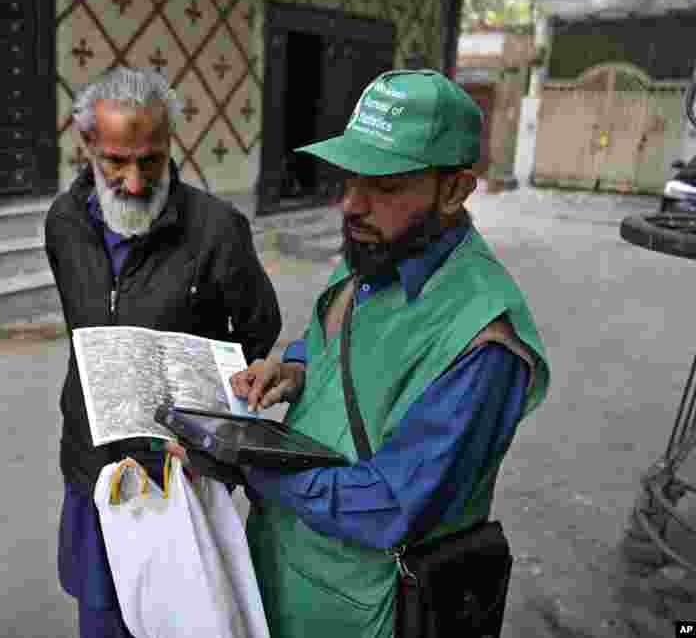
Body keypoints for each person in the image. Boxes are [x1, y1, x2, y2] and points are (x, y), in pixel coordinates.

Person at [227, 69, 552, 637]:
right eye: (350, 176)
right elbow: (329, 337)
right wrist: (295, 368)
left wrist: (249, 462)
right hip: (281, 568)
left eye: (386, 185)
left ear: (453, 191)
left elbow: (389, 507)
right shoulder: (375, 253)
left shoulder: (482, 341)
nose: (352, 205)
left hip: (368, 608)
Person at [44, 66, 282, 638]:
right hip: (95, 465)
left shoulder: (217, 230)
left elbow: (258, 326)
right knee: (103, 618)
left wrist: (206, 396)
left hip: (184, 473)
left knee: (185, 619)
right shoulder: (64, 223)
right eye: (114, 162)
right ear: (87, 146)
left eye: (149, 160)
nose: (132, 180)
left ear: (171, 144)